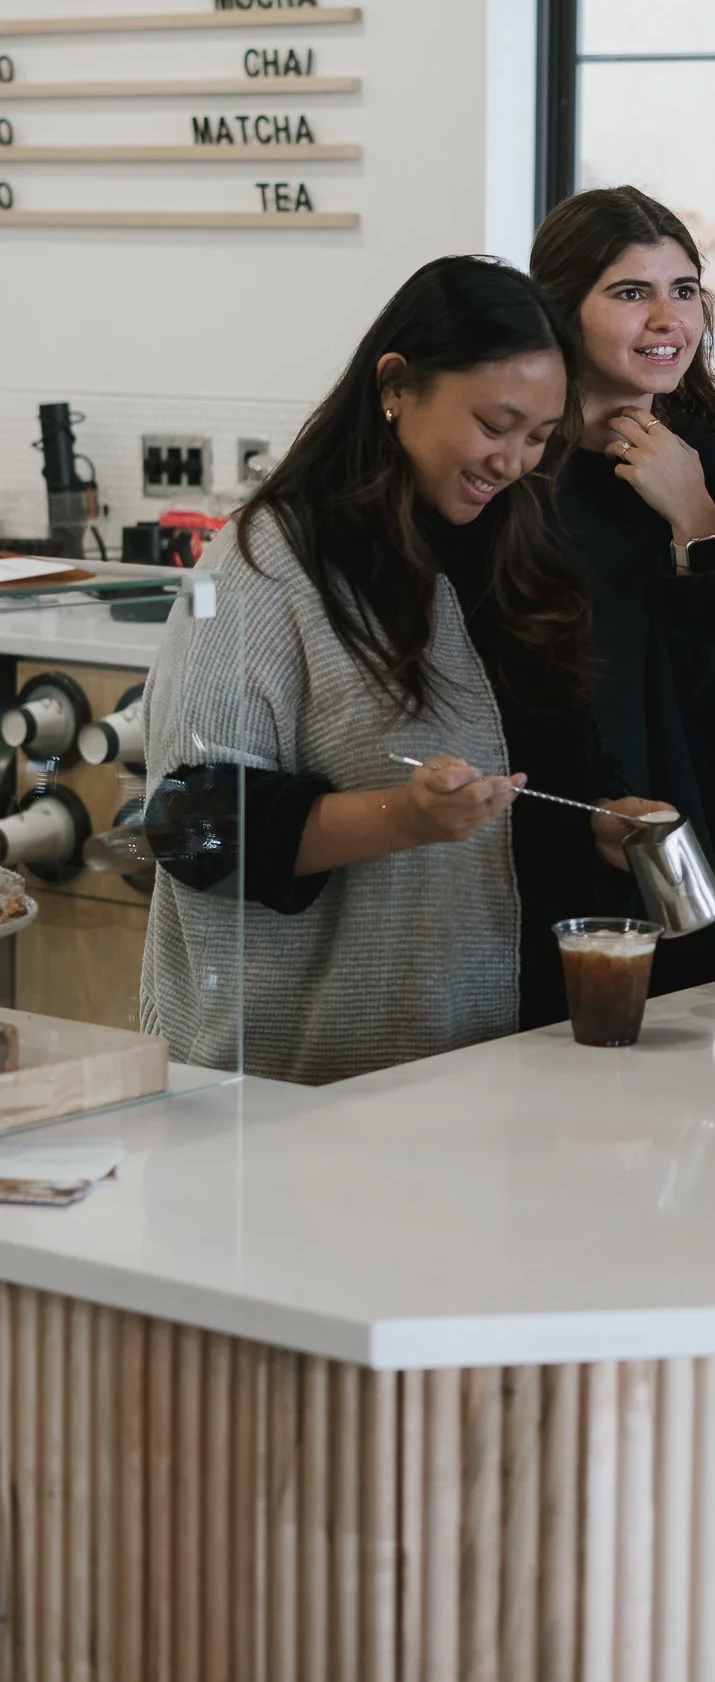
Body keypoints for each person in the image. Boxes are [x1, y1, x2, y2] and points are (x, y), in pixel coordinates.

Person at [141, 256, 667, 1085]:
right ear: (396, 385)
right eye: (493, 425)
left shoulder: (518, 546)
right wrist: (403, 818)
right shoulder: (265, 563)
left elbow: (535, 776)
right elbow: (191, 827)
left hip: (512, 1056)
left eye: (538, 436)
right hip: (324, 1085)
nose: (514, 462)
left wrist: (594, 817)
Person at [530, 186, 715, 989]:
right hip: (512, 859)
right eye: (631, 293)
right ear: (560, 307)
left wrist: (694, 526)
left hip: (667, 864)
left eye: (684, 291)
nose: (668, 319)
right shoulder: (507, 473)